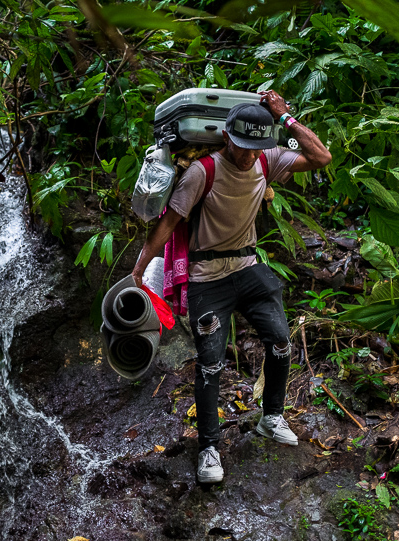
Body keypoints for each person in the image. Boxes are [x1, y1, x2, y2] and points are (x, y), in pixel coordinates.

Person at [130, 90, 332, 483]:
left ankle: (270, 417)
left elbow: (321, 157)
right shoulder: (201, 172)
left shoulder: (267, 159)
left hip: (248, 265)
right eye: (241, 148)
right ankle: (208, 447)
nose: (247, 156)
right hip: (208, 276)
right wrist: (139, 271)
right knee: (210, 362)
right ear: (226, 138)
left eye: (254, 148)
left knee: (279, 341)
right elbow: (167, 225)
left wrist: (286, 118)